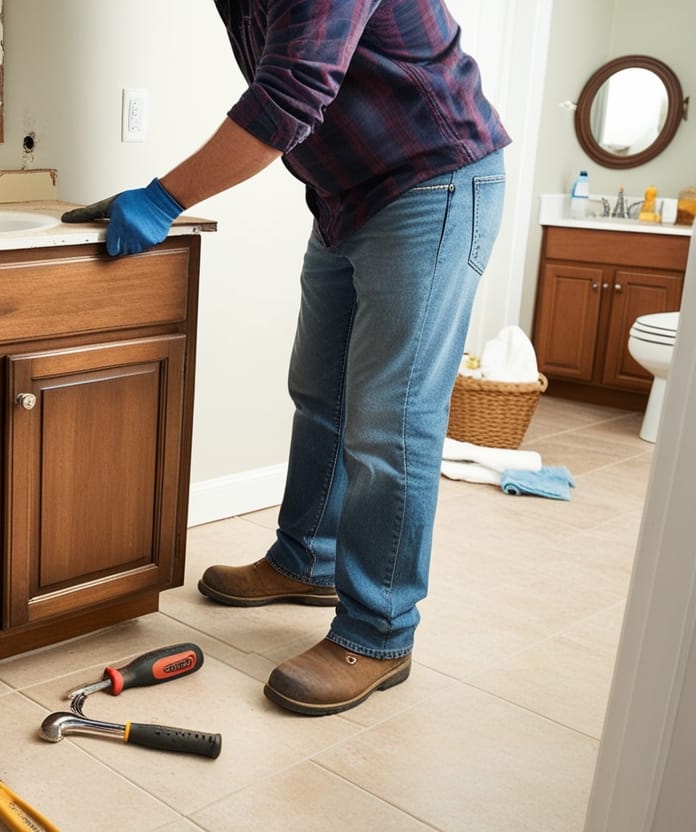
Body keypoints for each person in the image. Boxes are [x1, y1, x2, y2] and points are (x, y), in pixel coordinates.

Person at [65, 0, 511, 716]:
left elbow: (292, 92)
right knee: (321, 391)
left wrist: (165, 195)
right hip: (345, 196)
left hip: (433, 179)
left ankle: (379, 632)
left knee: (389, 422)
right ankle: (308, 557)